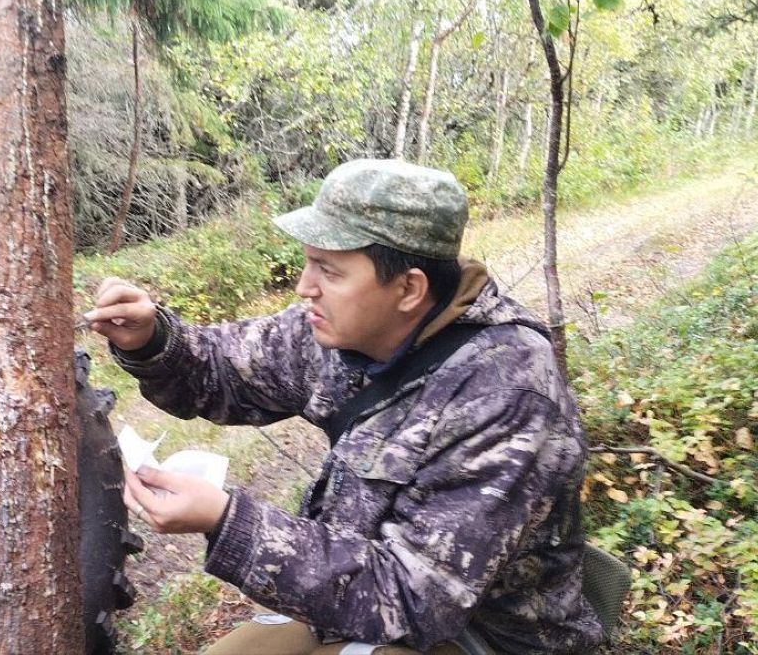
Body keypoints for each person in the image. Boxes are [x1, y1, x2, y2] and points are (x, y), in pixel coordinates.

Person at [84, 159, 605, 655]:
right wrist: (151, 338)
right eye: (309, 263)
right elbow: (221, 371)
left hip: (482, 636)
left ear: (408, 288)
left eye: (328, 271)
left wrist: (226, 519)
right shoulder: (343, 329)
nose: (304, 287)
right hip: (353, 600)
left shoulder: (506, 390)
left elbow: (415, 598)